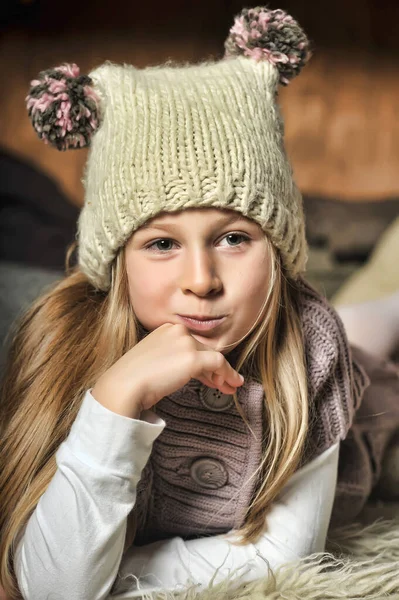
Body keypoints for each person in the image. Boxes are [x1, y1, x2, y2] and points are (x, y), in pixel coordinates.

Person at [0, 6, 398, 599]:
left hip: (368, 417)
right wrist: (113, 403)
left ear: (281, 250)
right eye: (161, 243)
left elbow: (286, 555)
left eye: (234, 237)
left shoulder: (311, 348)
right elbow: (52, 587)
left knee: (366, 329)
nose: (201, 280)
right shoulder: (63, 342)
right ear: (117, 263)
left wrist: (122, 568)